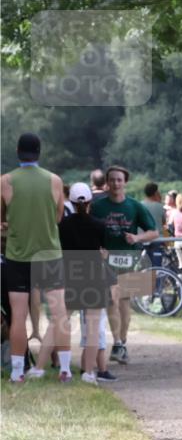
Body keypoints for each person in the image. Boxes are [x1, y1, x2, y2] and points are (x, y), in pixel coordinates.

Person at [1, 133, 72, 383]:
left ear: (18, 151)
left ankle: (18, 372)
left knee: (18, 314)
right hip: (49, 253)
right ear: (39, 152)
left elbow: (1, 219)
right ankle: (65, 369)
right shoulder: (54, 180)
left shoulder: (5, 181)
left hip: (18, 254)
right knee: (59, 312)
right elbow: (59, 216)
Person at [90, 166, 158, 365]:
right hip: (106, 259)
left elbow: (153, 232)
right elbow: (90, 230)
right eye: (112, 180)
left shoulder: (135, 206)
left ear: (125, 182)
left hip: (130, 259)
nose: (115, 184)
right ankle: (117, 342)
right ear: (107, 183)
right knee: (112, 299)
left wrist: (137, 236)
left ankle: (122, 343)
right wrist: (97, 247)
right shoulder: (97, 207)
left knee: (125, 303)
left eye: (119, 180)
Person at [59, 183, 111, 384]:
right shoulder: (99, 225)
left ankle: (63, 367)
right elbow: (104, 253)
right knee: (92, 328)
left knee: (62, 321)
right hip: (93, 277)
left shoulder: (62, 225)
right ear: (90, 202)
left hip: (71, 275)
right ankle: (89, 372)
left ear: (71, 202)